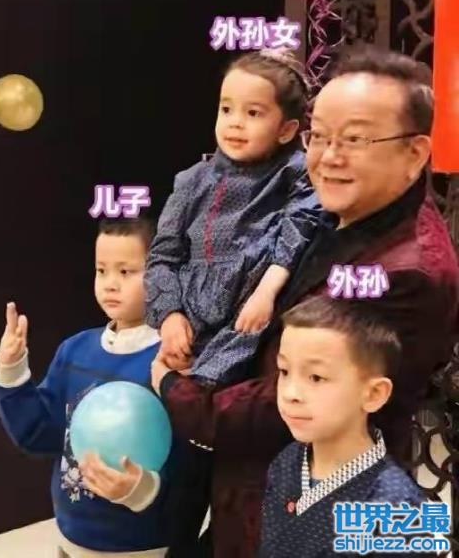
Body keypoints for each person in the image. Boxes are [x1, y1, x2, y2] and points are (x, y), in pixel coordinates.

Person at [152, 46, 459, 558]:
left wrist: (175, 390)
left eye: (355, 138)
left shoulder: (405, 274)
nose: (329, 156)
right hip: (252, 490)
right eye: (320, 136)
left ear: (414, 153)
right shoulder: (332, 211)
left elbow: (291, 401)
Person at [0, 217, 177, 557]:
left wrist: (141, 490)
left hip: (143, 546)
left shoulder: (171, 359)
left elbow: (190, 469)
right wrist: (11, 368)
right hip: (72, 539)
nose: (110, 284)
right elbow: (37, 434)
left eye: (126, 272)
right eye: (101, 270)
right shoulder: (75, 351)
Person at [145, 48, 320, 386]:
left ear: (286, 130)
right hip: (191, 323)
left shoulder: (295, 173)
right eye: (226, 109)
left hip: (254, 313)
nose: (235, 122)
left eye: (253, 113)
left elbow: (297, 233)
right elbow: (163, 256)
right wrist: (170, 316)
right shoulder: (192, 181)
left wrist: (265, 294)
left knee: (216, 390)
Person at [260, 295, 438, 558]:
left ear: (374, 394)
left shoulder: (396, 505)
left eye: (316, 377)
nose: (290, 393)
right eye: (284, 371)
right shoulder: (287, 462)